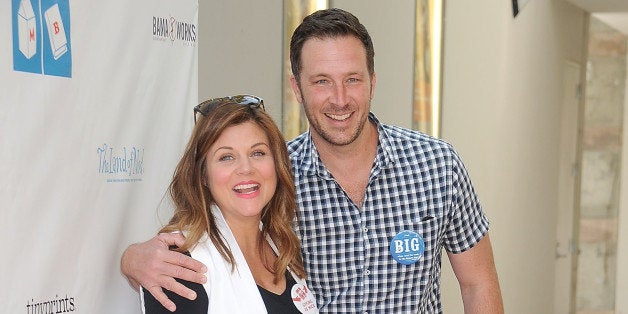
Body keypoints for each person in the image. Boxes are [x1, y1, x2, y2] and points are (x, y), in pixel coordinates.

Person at [122, 8, 504, 313]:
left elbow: (479, 284)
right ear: (297, 88)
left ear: (373, 80)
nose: (339, 99)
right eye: (322, 81)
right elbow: (213, 237)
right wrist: (133, 258)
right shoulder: (273, 177)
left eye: (352, 79)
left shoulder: (437, 165)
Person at [139, 95, 317, 313]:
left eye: (258, 153)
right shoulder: (178, 264)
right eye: (226, 157)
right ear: (202, 175)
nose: (246, 168)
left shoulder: (283, 247)